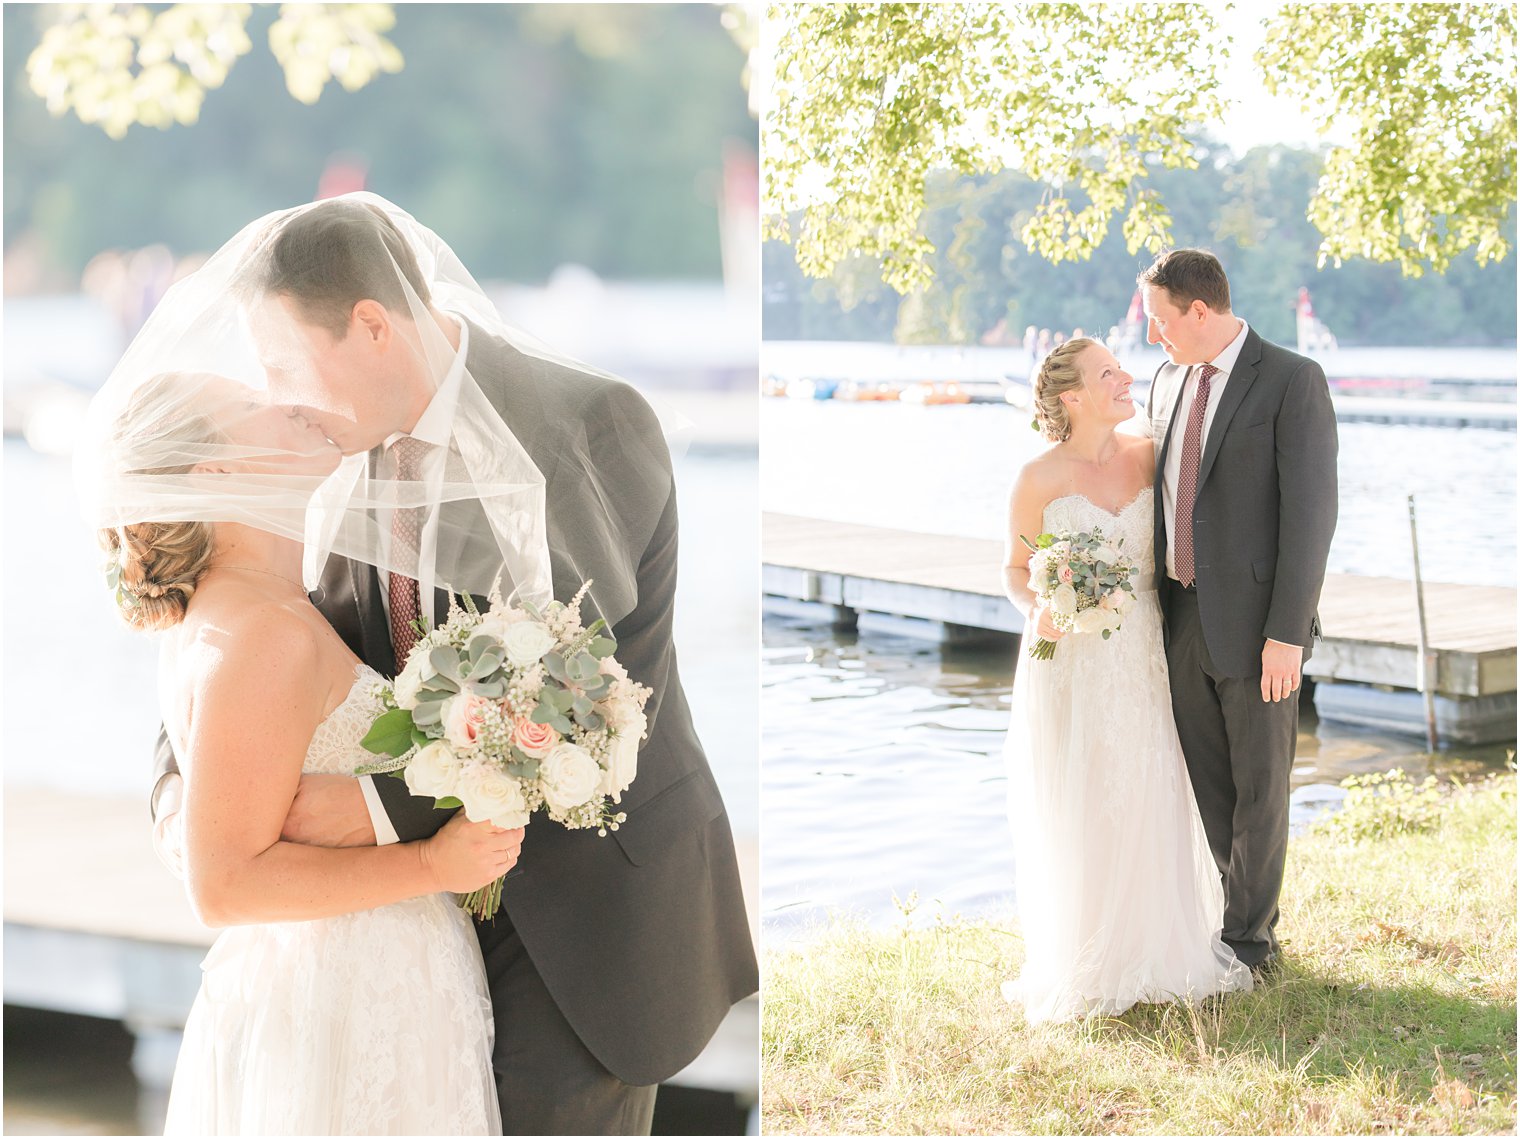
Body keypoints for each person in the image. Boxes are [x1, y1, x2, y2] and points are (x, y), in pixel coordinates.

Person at [141, 195, 757, 1135]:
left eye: (280, 363)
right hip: (405, 931)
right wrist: (184, 804)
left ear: (371, 326)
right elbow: (233, 646)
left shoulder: (590, 421)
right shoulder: (319, 460)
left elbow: (585, 696)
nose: (277, 398)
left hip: (583, 908)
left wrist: (381, 810)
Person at [92, 372, 516, 1134]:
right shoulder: (259, 634)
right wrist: (429, 866)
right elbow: (221, 886)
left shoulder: (254, 606)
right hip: (346, 997)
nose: (291, 403)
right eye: (258, 407)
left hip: (347, 980)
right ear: (217, 473)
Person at [1000, 337, 1252, 1022]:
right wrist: (1042, 609)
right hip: (1068, 661)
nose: (1126, 377)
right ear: (1072, 396)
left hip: (1141, 648)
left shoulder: (1149, 452)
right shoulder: (1038, 477)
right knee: (1081, 789)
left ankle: (1156, 947)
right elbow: (1016, 572)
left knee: (1146, 780)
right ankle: (1084, 952)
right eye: (1109, 372)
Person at [1137, 248, 1338, 977]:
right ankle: (1229, 922)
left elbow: (1312, 515)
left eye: (1161, 320)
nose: (1153, 334)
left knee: (1261, 786)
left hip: (1260, 628)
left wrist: (1288, 631)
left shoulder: (1290, 379)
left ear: (1199, 310)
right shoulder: (1165, 380)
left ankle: (1252, 944)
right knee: (1208, 781)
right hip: (1179, 614)